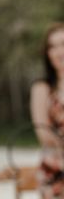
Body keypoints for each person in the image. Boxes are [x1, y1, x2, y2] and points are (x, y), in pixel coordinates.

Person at [31, 22, 64, 198]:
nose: (59, 51)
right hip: (55, 167)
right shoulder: (41, 88)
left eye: (63, 44)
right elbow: (42, 132)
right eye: (52, 46)